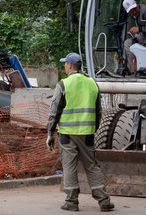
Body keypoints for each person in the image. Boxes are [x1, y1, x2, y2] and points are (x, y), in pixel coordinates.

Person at [46, 52, 115, 212]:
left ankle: (71, 201)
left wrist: (50, 132)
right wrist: (93, 129)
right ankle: (104, 200)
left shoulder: (64, 84)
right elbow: (99, 111)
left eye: (65, 64)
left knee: (69, 166)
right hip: (87, 133)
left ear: (70, 65)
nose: (64, 66)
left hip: (68, 134)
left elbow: (54, 111)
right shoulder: (92, 83)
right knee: (92, 166)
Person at [121, 0, 146, 75]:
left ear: (136, 3)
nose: (133, 12)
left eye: (134, 8)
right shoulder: (134, 16)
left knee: (128, 44)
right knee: (128, 42)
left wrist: (139, 29)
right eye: (130, 11)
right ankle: (135, 69)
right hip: (144, 36)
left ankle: (136, 71)